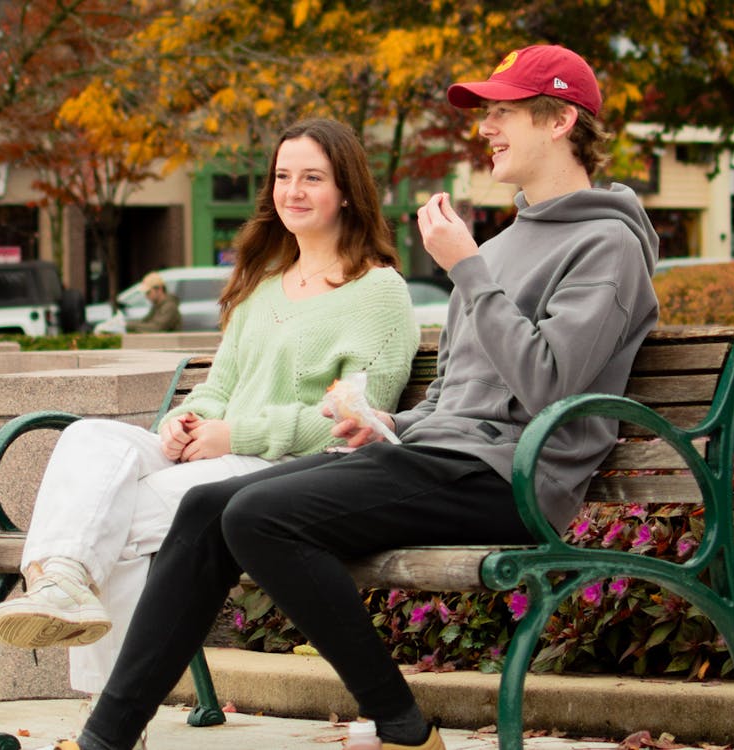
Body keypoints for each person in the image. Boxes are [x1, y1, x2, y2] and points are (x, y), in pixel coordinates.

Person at [60, 44, 659, 750]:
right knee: (205, 507)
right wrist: (386, 421)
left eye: (504, 112)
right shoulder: (496, 248)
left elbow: (552, 385)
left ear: (560, 121)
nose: (486, 128)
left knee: (257, 516)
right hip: (439, 458)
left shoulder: (606, 245)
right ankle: (106, 740)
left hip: (512, 477)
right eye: (486, 113)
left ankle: (402, 725)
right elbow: (451, 392)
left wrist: (467, 270)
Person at [0, 117, 420, 707]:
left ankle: (105, 718)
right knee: (88, 437)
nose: (292, 191)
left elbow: (354, 423)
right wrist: (185, 421)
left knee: (118, 522)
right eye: (282, 176)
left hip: (283, 471)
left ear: (347, 190)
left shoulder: (378, 292)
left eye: (312, 178)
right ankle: (61, 583)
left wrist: (233, 434)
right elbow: (219, 387)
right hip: (215, 450)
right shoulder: (264, 283)